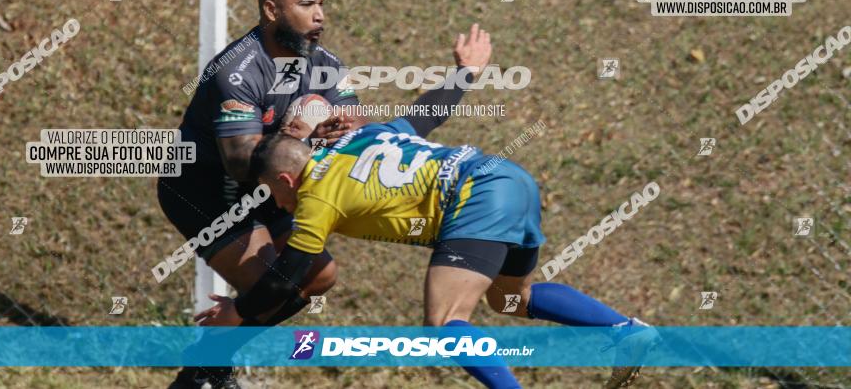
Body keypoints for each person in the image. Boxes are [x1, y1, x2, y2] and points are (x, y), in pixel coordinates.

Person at [194, 80, 657, 389]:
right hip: (511, 178)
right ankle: (624, 330)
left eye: (271, 193)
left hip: (476, 197)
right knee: (511, 299)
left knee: (443, 322)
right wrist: (463, 74)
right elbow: (425, 116)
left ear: (285, 180)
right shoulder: (362, 137)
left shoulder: (316, 195)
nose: (276, 205)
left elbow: (288, 273)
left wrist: (238, 311)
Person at [159, 0, 358, 388]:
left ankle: (204, 367)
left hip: (271, 190)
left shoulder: (325, 64)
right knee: (275, 283)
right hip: (208, 191)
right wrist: (299, 133)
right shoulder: (238, 71)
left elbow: (353, 125)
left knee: (320, 276)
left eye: (321, 4)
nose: (320, 15)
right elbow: (239, 162)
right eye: (307, 5)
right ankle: (208, 368)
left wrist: (339, 127)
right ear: (271, 10)